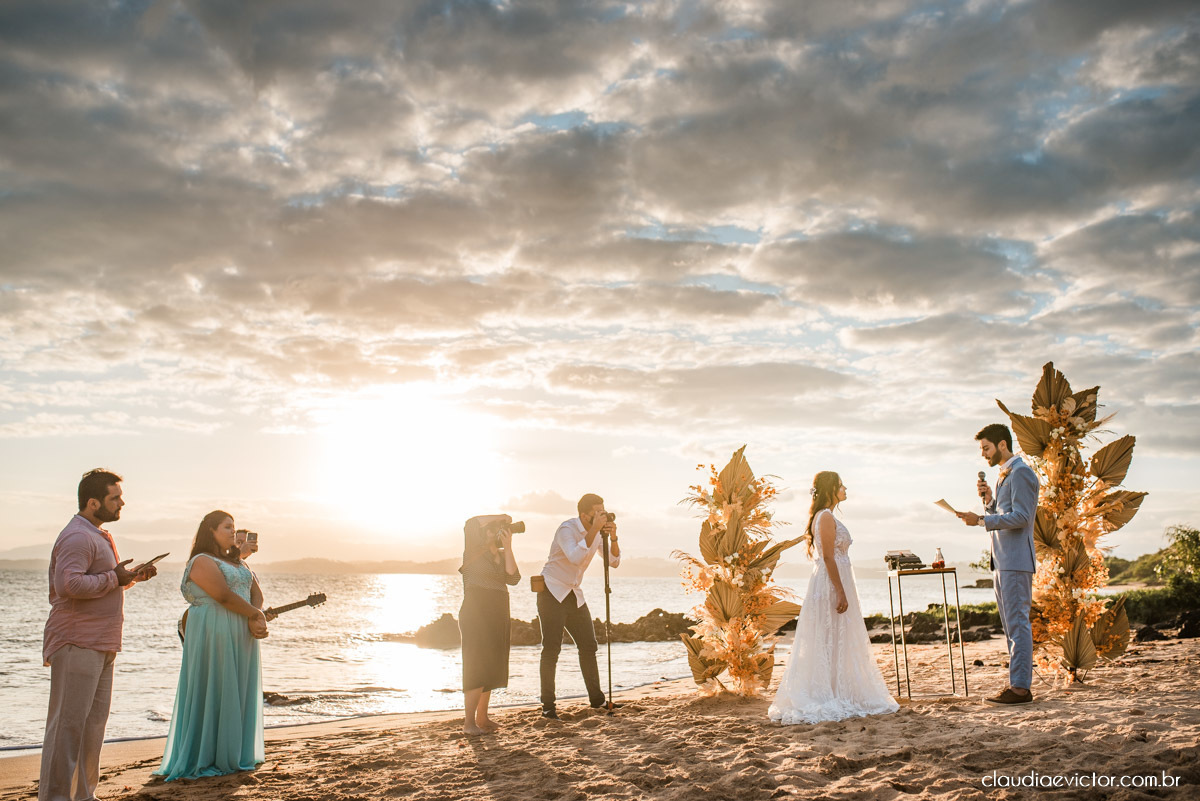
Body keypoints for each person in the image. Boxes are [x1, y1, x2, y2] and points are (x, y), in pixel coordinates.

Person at [40, 469, 158, 801]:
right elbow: (69, 585)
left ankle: (83, 796)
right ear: (93, 503)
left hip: (102, 643)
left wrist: (131, 578)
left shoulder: (97, 533)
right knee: (67, 728)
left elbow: (104, 581)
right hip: (77, 642)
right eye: (114, 497)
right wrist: (114, 579)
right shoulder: (78, 537)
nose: (122, 502)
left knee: (92, 729)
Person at [768, 472, 899, 725]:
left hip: (835, 578)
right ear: (832, 489)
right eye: (842, 485)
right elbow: (828, 556)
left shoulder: (826, 515)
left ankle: (838, 687)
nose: (846, 488)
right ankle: (828, 692)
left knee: (837, 635)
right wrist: (840, 591)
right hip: (830, 582)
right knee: (831, 633)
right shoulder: (826, 517)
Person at [156, 511, 268, 781]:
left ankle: (234, 752)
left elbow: (255, 594)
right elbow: (221, 595)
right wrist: (254, 614)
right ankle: (206, 754)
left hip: (240, 630)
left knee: (237, 686)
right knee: (216, 685)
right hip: (214, 628)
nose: (233, 531)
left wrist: (255, 613)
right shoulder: (201, 561)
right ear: (211, 531)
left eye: (234, 526)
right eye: (227, 527)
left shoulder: (237, 563)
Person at [958, 423, 1039, 706]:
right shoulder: (1004, 477)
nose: (983, 454)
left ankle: (1019, 689)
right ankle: (1017, 685)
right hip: (1002, 561)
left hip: (1015, 560)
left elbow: (1022, 518)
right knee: (1010, 626)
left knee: (1018, 625)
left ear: (1002, 445)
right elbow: (1005, 513)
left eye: (986, 448)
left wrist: (981, 521)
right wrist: (989, 503)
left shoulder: (1022, 473)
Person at [536, 493, 620, 719]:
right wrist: (595, 531)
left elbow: (613, 562)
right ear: (584, 515)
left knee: (589, 646)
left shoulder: (598, 533)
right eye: (597, 513)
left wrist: (612, 538)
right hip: (551, 591)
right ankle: (548, 706)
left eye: (603, 511)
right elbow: (574, 556)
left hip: (573, 592)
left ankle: (597, 700)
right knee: (552, 648)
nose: (601, 515)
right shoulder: (567, 530)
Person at [458, 515, 521, 735]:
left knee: (493, 664)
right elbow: (471, 523)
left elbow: (513, 578)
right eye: (491, 529)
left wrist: (508, 546)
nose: (494, 532)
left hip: (499, 609)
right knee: (477, 663)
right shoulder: (473, 550)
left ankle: (482, 718)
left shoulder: (502, 554)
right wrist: (501, 517)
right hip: (477, 609)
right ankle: (468, 723)